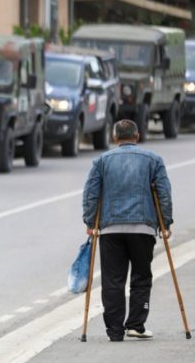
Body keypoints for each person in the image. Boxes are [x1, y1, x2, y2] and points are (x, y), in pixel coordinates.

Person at [82, 119, 173, 342]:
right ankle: (136, 324)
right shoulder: (154, 160)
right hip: (143, 228)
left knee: (113, 279)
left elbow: (91, 194)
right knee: (141, 276)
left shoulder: (101, 161)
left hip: (111, 229)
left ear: (115, 138)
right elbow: (164, 193)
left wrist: (89, 222)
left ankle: (114, 330)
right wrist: (166, 224)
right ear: (137, 136)